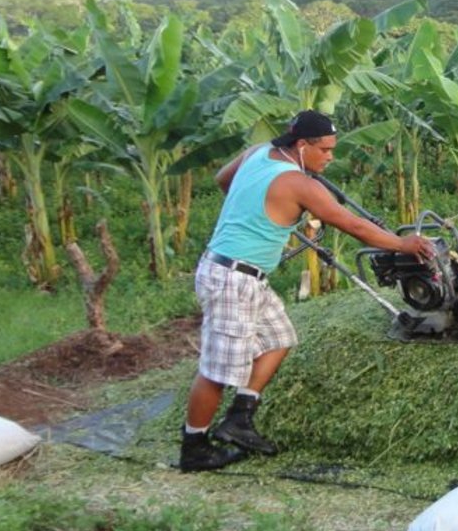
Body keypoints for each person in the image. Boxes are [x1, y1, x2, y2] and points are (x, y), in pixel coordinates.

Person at [179, 110, 435, 473]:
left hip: (244, 275)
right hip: (231, 280)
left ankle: (239, 418)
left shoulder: (257, 153)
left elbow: (224, 180)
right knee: (217, 371)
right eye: (326, 150)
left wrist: (261, 213)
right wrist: (402, 244)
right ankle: (194, 447)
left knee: (279, 338)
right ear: (302, 145)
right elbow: (351, 224)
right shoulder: (299, 184)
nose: (330, 157)